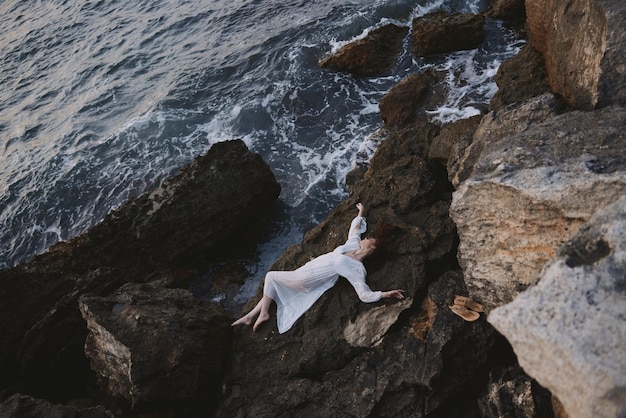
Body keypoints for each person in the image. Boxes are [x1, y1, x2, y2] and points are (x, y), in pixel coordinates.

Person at [231, 203, 405, 334]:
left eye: (369, 239)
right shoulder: (352, 244)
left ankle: (263, 314)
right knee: (276, 287)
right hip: (307, 269)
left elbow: (363, 294)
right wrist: (361, 211)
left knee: (271, 277)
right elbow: (355, 229)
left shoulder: (356, 268)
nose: (366, 238)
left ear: (371, 247)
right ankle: (251, 316)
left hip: (308, 280)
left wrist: (385, 294)